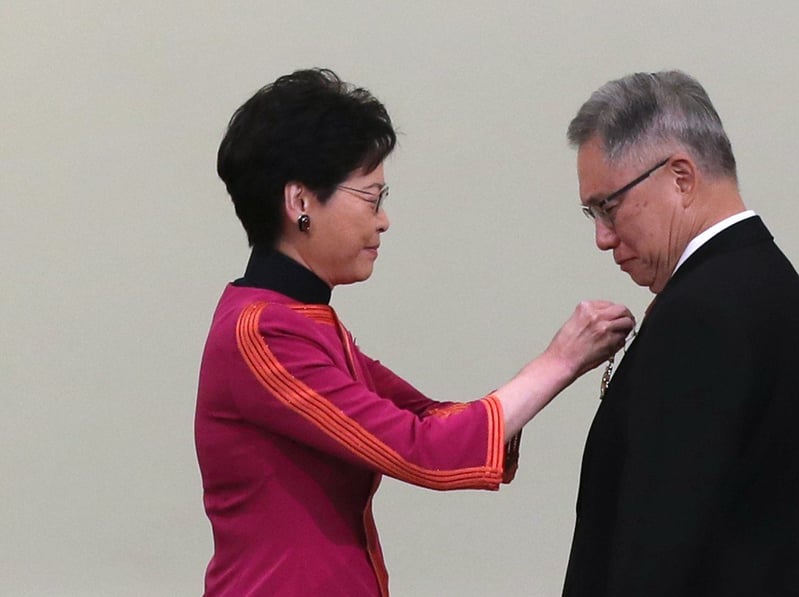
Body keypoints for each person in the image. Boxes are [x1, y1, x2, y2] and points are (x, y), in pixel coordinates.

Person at [194, 68, 634, 597]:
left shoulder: (298, 321)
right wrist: (560, 360)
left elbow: (425, 417)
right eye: (371, 198)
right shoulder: (261, 333)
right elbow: (423, 449)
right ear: (301, 203)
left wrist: (553, 368)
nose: (383, 221)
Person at [561, 71, 799, 596]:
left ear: (680, 177)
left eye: (608, 207)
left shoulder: (701, 313)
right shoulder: (775, 287)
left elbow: (658, 545)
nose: (601, 237)